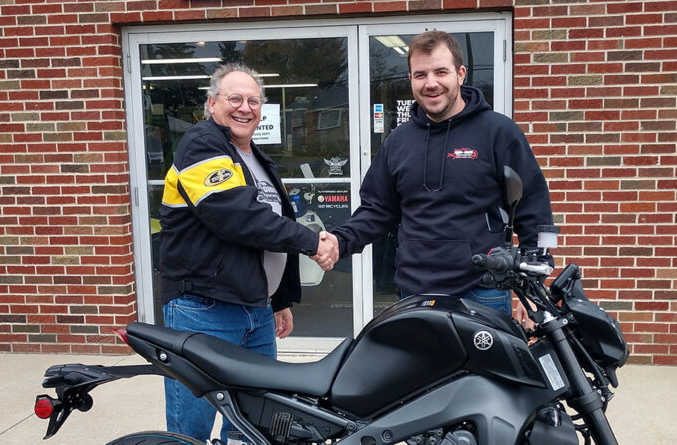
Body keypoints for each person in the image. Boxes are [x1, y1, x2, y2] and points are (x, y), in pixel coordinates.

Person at [318, 30, 554, 323]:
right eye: (421, 74)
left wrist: (534, 291)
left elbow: (535, 210)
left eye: (441, 72)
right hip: (414, 293)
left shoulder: (499, 133)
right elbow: (377, 210)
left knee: (486, 372)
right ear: (411, 80)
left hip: (482, 291)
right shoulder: (398, 142)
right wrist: (341, 241)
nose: (431, 83)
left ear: (460, 74)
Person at [158, 63, 337, 442]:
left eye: (253, 100)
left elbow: (268, 229)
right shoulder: (201, 144)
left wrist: (278, 300)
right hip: (204, 308)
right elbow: (237, 217)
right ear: (211, 103)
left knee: (254, 419)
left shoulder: (255, 157)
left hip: (254, 309)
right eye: (234, 98)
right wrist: (311, 242)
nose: (245, 107)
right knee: (192, 426)